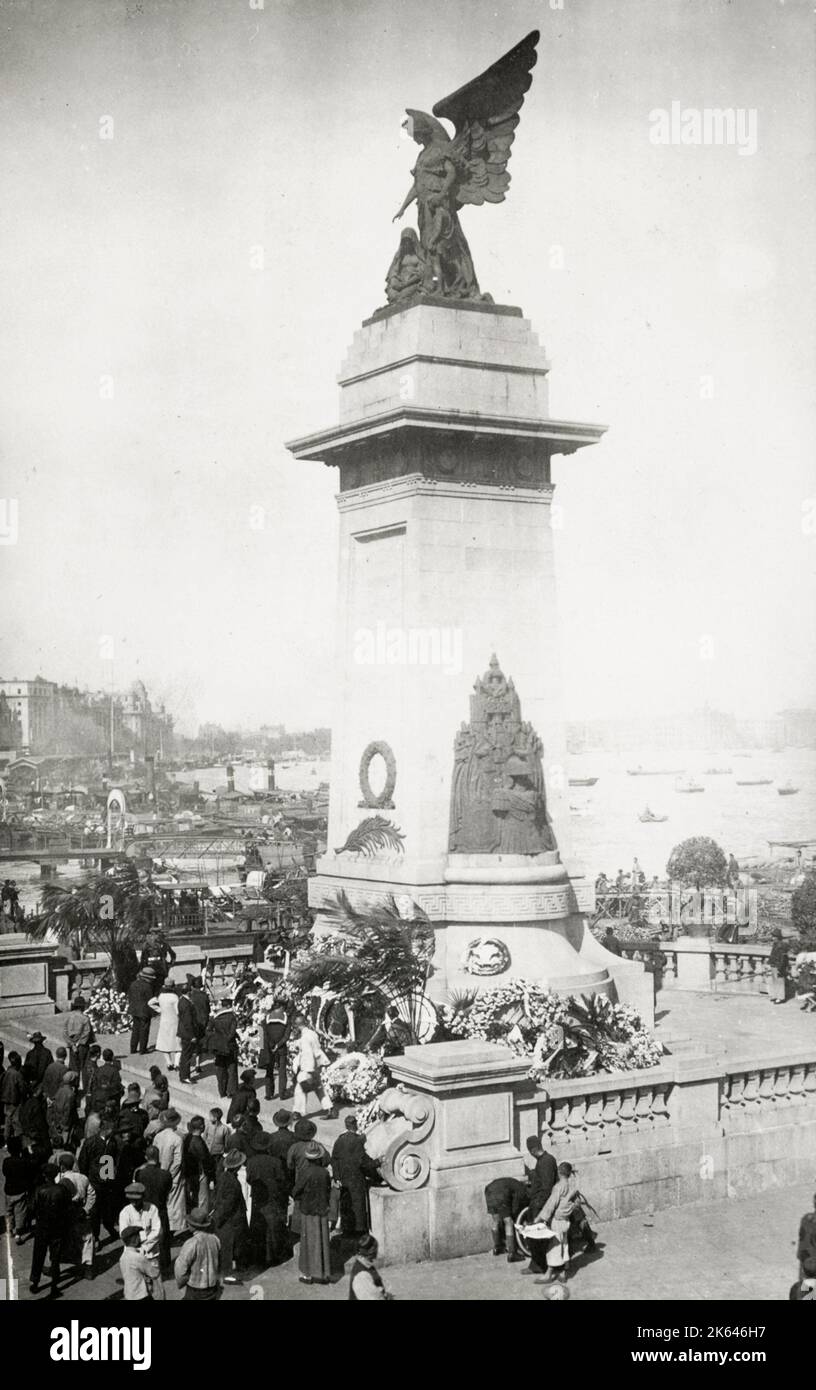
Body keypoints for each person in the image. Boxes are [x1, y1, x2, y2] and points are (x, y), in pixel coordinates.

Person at [245, 1130, 290, 1267]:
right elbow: (281, 1179)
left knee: (258, 1225)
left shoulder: (251, 1162)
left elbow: (249, 1179)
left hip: (258, 1197)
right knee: (273, 1227)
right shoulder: (276, 1161)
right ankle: (273, 1256)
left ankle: (258, 1256)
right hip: (273, 1196)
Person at [331, 1115, 379, 1238]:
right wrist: (377, 1162)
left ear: (346, 1126)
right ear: (355, 1125)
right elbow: (363, 1162)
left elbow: (334, 1159)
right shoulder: (357, 1141)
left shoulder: (339, 1140)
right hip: (356, 1179)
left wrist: (336, 1177)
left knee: (346, 1205)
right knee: (358, 1206)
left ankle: (346, 1230)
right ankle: (359, 1233)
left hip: (343, 1178)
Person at [29, 1161, 72, 1297]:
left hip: (42, 1227)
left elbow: (32, 1208)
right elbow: (68, 1208)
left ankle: (35, 1283)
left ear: (44, 1175)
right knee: (55, 1257)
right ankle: (54, 1286)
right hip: (58, 1228)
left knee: (38, 1255)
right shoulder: (62, 1189)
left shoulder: (39, 1190)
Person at [294, 1141, 332, 1285]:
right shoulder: (324, 1172)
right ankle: (323, 1273)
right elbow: (328, 1189)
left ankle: (308, 1274)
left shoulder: (305, 1173)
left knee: (307, 1242)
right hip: (322, 1208)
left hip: (308, 1210)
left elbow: (296, 1191)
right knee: (322, 1240)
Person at [537, 1161, 580, 1285]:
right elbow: (575, 1204)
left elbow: (550, 1205)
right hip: (566, 1220)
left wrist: (539, 1218)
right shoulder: (572, 1187)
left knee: (554, 1246)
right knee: (564, 1245)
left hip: (557, 1221)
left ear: (559, 1172)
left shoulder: (558, 1187)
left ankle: (549, 1274)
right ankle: (563, 1273)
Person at [522, 1137, 558, 1276]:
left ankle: (538, 1265)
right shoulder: (546, 1160)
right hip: (539, 1203)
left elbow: (546, 1188)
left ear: (532, 1149)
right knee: (536, 1237)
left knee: (536, 1237)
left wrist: (538, 1208)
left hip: (540, 1205)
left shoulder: (545, 1162)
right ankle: (538, 1264)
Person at [134, 1145, 172, 1276]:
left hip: (145, 1209)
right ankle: (164, 1267)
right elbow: (167, 1191)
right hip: (160, 1209)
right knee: (163, 1239)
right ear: (158, 1156)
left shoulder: (140, 1174)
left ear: (146, 1157)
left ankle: (145, 1266)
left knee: (146, 1238)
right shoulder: (166, 1175)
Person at [212, 1148, 248, 1285]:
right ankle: (227, 1274)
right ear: (238, 1166)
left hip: (224, 1218)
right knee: (229, 1245)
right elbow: (228, 1204)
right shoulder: (232, 1182)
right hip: (231, 1219)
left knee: (226, 1245)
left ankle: (225, 1271)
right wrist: (219, 1218)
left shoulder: (223, 1177)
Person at [58, 1152, 96, 1279]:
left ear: (62, 1166)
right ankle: (88, 1267)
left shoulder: (59, 1180)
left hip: (67, 1213)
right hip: (81, 1211)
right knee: (87, 1238)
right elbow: (92, 1195)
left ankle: (58, 1266)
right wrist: (86, 1209)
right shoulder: (83, 1177)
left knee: (65, 1239)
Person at [174, 1206, 222, 1300]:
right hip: (212, 1288)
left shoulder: (191, 1243)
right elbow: (219, 1264)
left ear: (192, 1225)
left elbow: (180, 1269)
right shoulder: (215, 1239)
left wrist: (182, 1282)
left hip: (195, 1289)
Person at [154, 1107, 187, 1237]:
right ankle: (171, 1230)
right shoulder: (177, 1139)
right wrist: (170, 1174)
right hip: (172, 1176)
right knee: (174, 1204)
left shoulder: (158, 1136)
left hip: (159, 1172)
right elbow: (178, 1161)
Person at [291, 1012, 331, 1117]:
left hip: (308, 1067)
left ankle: (298, 1111)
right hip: (317, 1064)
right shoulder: (312, 1033)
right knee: (319, 1088)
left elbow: (308, 1054)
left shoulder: (305, 1038)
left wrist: (309, 1070)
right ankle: (330, 1108)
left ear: (297, 1026)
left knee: (299, 1089)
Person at [484, 1174, 528, 1262]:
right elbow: (515, 1208)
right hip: (501, 1193)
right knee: (509, 1222)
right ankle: (512, 1253)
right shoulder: (522, 1190)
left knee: (496, 1221)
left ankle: (497, 1247)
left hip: (489, 1190)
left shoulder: (513, 1183)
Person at [3, 1135, 35, 1244]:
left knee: (8, 1211)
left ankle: (10, 1230)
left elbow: (4, 1172)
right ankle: (18, 1234)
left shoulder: (6, 1161)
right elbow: (30, 1170)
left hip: (9, 1190)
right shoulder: (23, 1161)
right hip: (20, 1191)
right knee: (20, 1212)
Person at [206, 998, 239, 1099]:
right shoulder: (232, 1017)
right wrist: (226, 1039)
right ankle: (231, 1091)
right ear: (229, 1006)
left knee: (220, 1068)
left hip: (218, 1047)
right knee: (231, 1068)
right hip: (230, 1046)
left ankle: (222, 1091)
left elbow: (208, 1031)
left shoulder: (214, 1017)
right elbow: (232, 1032)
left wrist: (217, 1039)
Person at [119, 1226, 162, 1301]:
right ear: (134, 1240)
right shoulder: (138, 1257)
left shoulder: (123, 1257)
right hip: (141, 1295)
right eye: (138, 1236)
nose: (140, 1239)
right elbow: (154, 1273)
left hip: (129, 1294)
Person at [258, 1000, 290, 1100]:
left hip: (268, 1048)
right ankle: (282, 1093)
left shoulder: (266, 1019)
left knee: (269, 1070)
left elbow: (261, 1033)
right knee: (282, 1071)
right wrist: (278, 1045)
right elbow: (286, 1036)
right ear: (281, 1007)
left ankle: (269, 1094)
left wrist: (268, 1045)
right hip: (281, 1048)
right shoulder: (286, 1019)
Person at [183, 1115, 215, 1211]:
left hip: (189, 1173)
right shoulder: (199, 1143)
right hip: (200, 1174)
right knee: (202, 1201)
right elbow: (206, 1161)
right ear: (201, 1127)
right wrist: (211, 1176)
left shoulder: (187, 1138)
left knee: (193, 1198)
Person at [348, 1233, 393, 1300]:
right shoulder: (362, 1275)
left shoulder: (366, 1265)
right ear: (371, 1250)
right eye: (375, 1247)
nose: (377, 1250)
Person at [148, 980, 180, 1071]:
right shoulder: (175, 997)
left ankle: (169, 1063)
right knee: (177, 1043)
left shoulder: (160, 996)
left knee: (165, 1043)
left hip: (164, 1021)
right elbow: (178, 1011)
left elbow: (150, 1003)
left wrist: (160, 1010)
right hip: (174, 1021)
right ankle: (177, 1063)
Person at [64, 996, 93, 1076]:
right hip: (82, 1046)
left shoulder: (69, 1018)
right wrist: (78, 1043)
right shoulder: (85, 1019)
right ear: (82, 1007)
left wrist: (72, 1044)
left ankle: (74, 1086)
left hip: (72, 1045)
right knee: (84, 1067)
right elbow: (86, 1033)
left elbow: (65, 1032)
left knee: (73, 1067)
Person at [49, 1070, 80, 1148]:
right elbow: (68, 1111)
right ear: (72, 1081)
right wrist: (65, 1126)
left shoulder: (60, 1090)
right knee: (65, 1143)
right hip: (65, 1124)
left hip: (57, 1121)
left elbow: (54, 1105)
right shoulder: (71, 1094)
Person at [128, 970, 155, 1056]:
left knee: (135, 1029)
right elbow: (151, 1000)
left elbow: (130, 997)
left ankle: (133, 1048)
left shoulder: (133, 984)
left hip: (134, 1010)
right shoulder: (148, 986)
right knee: (144, 1030)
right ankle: (142, 1049)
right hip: (144, 1011)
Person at [88, 1047, 124, 1112]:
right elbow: (117, 1086)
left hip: (99, 1099)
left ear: (103, 1058)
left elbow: (94, 1084)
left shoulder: (98, 1070)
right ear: (112, 1057)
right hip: (110, 1101)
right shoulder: (114, 1071)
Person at [188, 975, 210, 1080]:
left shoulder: (190, 996)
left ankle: (189, 1066)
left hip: (193, 1023)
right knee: (199, 1045)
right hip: (203, 1022)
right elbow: (208, 1009)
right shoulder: (204, 995)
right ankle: (198, 1064)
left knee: (190, 1045)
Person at [1, 1050, 25, 1143]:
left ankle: (6, 1139)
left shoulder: (6, 1072)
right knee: (16, 1122)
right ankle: (18, 1141)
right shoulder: (17, 1075)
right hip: (15, 1101)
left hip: (6, 1100)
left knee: (7, 1121)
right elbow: (22, 1089)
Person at [204, 1106, 230, 1177]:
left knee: (217, 1173)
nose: (209, 1118)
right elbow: (204, 1138)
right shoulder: (208, 1126)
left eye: (211, 1116)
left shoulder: (225, 1129)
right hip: (208, 1154)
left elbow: (226, 1143)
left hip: (218, 1155)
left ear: (215, 1118)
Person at [796, 1191, 816, 1280]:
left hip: (808, 1263)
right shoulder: (807, 1220)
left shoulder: (807, 1219)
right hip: (809, 1264)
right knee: (808, 1292)